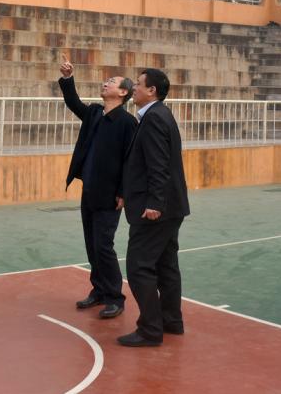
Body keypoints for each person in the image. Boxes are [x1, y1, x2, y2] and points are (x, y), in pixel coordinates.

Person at [117, 68, 190, 347]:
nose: (134, 88)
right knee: (166, 265)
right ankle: (171, 321)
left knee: (139, 267)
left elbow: (158, 165)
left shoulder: (154, 118)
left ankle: (150, 329)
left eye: (138, 84)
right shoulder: (159, 115)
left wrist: (154, 203)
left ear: (152, 91)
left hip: (157, 210)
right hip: (172, 207)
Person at [58, 60, 137, 319]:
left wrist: (123, 192)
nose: (105, 83)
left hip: (110, 194)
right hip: (89, 190)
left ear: (123, 92)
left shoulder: (127, 123)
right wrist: (68, 78)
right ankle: (99, 290)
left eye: (111, 82)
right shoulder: (93, 113)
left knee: (104, 245)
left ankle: (115, 297)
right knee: (92, 244)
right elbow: (73, 103)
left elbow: (130, 160)